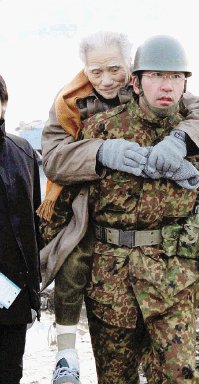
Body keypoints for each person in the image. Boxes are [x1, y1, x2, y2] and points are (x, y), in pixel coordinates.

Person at [40, 31, 199, 383]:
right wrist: (102, 152)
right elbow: (61, 178)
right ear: (138, 80)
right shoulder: (88, 120)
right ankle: (65, 354)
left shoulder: (194, 132)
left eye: (175, 77)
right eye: (158, 76)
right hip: (111, 284)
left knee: (179, 377)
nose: (167, 84)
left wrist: (179, 146)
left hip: (173, 282)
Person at [0, 74, 42, 384]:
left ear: (4, 103)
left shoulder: (23, 151)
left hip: (12, 291)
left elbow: (35, 227)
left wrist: (33, 294)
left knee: (10, 371)